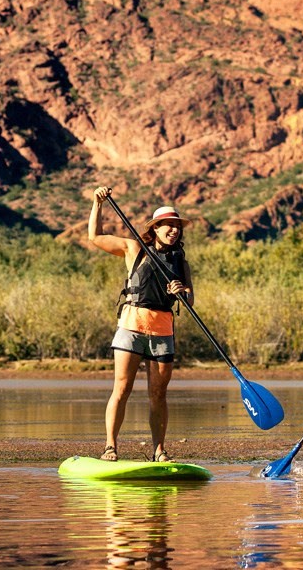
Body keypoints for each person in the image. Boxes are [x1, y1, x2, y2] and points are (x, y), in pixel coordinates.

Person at [81, 185, 193, 462]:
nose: (174, 230)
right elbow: (94, 237)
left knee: (158, 393)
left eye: (177, 226)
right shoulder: (133, 248)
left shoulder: (181, 262)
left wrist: (183, 292)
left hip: (163, 331)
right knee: (122, 388)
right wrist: (98, 203)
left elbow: (191, 300)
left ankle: (159, 451)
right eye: (167, 225)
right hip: (132, 327)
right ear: (154, 228)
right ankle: (110, 447)